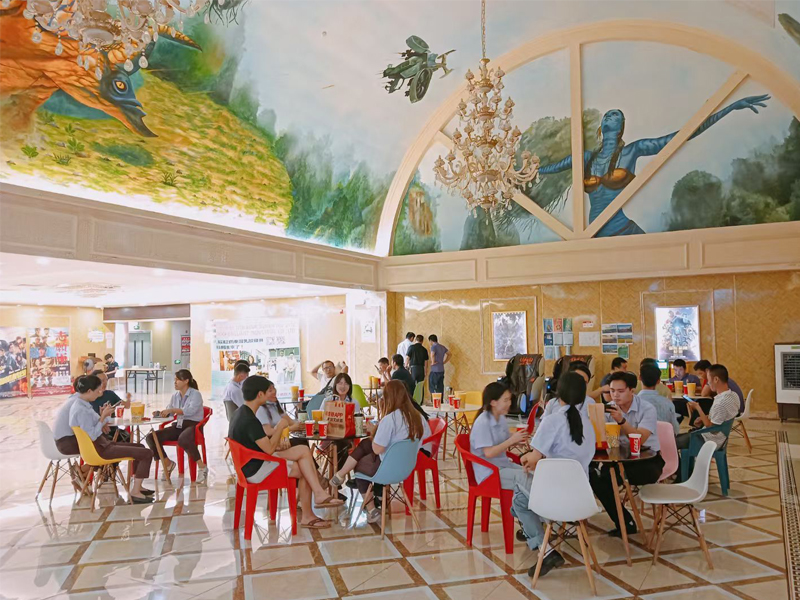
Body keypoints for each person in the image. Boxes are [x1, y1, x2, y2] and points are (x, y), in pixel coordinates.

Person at [229, 375, 344, 529]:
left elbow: (259, 445)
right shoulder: (250, 420)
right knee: (303, 467)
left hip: (251, 462)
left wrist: (279, 443)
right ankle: (310, 511)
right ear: (260, 394)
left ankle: (317, 496)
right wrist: (281, 427)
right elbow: (269, 449)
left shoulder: (240, 412)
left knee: (303, 450)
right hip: (255, 469)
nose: (271, 393)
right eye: (267, 391)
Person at [513, 372, 597, 577]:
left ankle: (544, 548)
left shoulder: (552, 421)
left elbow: (533, 458)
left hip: (554, 497)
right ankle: (541, 539)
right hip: (582, 499)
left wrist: (524, 459)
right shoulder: (588, 424)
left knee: (518, 497)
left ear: (558, 393)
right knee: (521, 499)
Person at [329, 380, 429, 523]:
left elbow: (377, 449)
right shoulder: (418, 417)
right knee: (365, 444)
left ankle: (371, 510)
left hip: (387, 468)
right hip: (407, 466)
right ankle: (340, 474)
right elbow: (423, 439)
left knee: (359, 464)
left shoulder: (390, 419)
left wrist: (374, 431)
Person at [589, 371, 664, 537]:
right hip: (619, 459)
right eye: (612, 391)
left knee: (612, 477)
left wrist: (621, 420)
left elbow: (640, 439)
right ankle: (625, 522)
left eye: (620, 391)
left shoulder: (647, 409)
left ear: (632, 390)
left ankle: (626, 523)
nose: (615, 395)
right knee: (596, 479)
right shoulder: (609, 409)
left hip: (647, 461)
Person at [69, 375, 154, 503]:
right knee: (147, 453)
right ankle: (135, 492)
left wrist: (103, 415)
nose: (100, 393)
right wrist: (102, 417)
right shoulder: (81, 410)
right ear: (89, 391)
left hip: (102, 445)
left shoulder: (83, 405)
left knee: (140, 447)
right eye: (97, 390)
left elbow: (97, 424)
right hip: (100, 449)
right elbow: (92, 435)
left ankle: (138, 487)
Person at [146, 369, 209, 483]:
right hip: (179, 425)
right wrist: (161, 413)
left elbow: (190, 411)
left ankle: (202, 467)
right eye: (175, 380)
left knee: (183, 439)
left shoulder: (196, 394)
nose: (175, 382)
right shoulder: (175, 396)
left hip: (193, 425)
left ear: (186, 381)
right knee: (151, 437)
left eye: (177, 380)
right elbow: (170, 412)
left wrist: (173, 410)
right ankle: (168, 463)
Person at [470, 382, 530, 489]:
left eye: (509, 399)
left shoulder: (501, 418)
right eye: (505, 400)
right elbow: (489, 453)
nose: (509, 403)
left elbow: (504, 438)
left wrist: (517, 440)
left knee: (532, 474)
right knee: (527, 479)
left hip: (502, 465)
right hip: (489, 472)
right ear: (493, 402)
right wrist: (512, 440)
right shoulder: (483, 422)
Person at [676, 364, 740, 450]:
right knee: (674, 439)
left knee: (671, 442)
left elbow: (712, 429)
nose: (708, 383)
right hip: (718, 438)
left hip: (709, 440)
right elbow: (721, 418)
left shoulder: (720, 403)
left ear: (716, 379)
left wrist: (698, 408)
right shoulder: (733, 395)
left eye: (708, 380)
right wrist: (704, 418)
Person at [89, 370, 132, 441]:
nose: (105, 383)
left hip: (114, 430)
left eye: (106, 380)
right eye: (101, 381)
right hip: (99, 433)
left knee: (127, 438)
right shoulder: (89, 399)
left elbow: (126, 405)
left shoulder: (110, 394)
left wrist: (128, 398)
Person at [638, 363, 680, 435]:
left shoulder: (632, 402)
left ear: (639, 378)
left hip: (640, 440)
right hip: (665, 440)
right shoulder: (668, 403)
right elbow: (675, 430)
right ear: (658, 381)